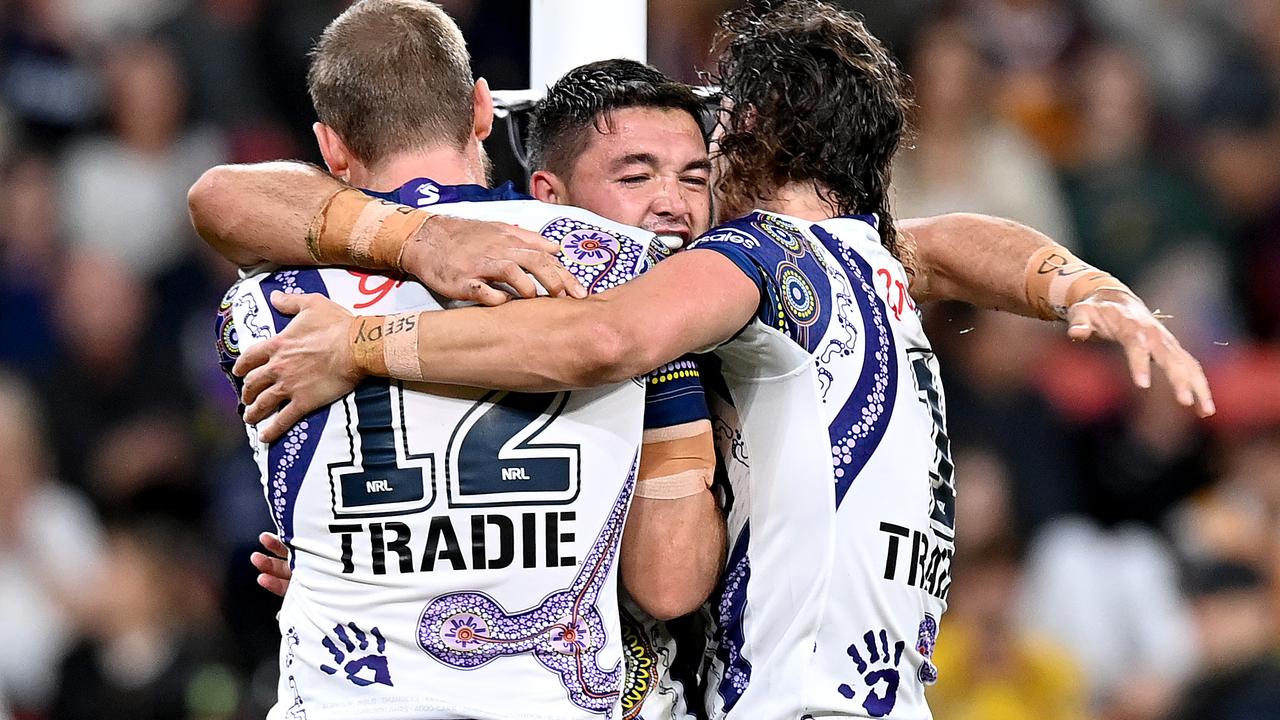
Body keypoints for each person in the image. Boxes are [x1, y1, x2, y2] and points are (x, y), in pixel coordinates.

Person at [222, 2, 1214, 718]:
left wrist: (362, 344)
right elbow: (948, 240)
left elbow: (602, 338)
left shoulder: (760, 259)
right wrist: (1077, 285)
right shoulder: (858, 265)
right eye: (647, 170)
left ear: (758, 134)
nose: (681, 194)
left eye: (703, 154)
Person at [213, 2, 720, 717]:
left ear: (330, 148)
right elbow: (670, 583)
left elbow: (224, 197)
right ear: (483, 109)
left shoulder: (258, 305)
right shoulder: (621, 264)